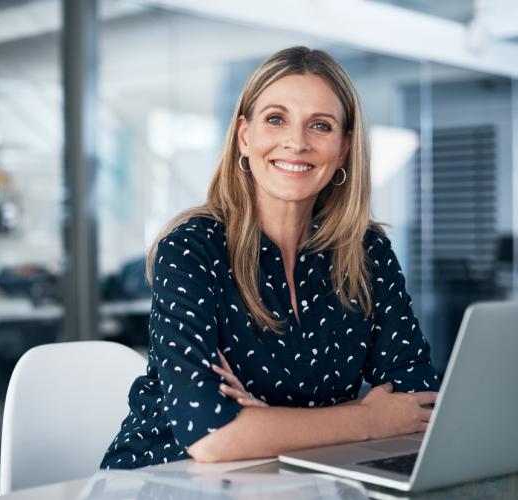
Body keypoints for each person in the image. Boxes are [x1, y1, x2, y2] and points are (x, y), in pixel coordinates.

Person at [101, 46, 440, 470]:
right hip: (164, 478)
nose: (296, 142)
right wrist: (367, 419)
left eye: (320, 125)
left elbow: (418, 402)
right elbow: (211, 436)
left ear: (344, 148)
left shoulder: (366, 251)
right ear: (245, 136)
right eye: (276, 119)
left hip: (289, 477)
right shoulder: (192, 248)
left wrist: (264, 423)